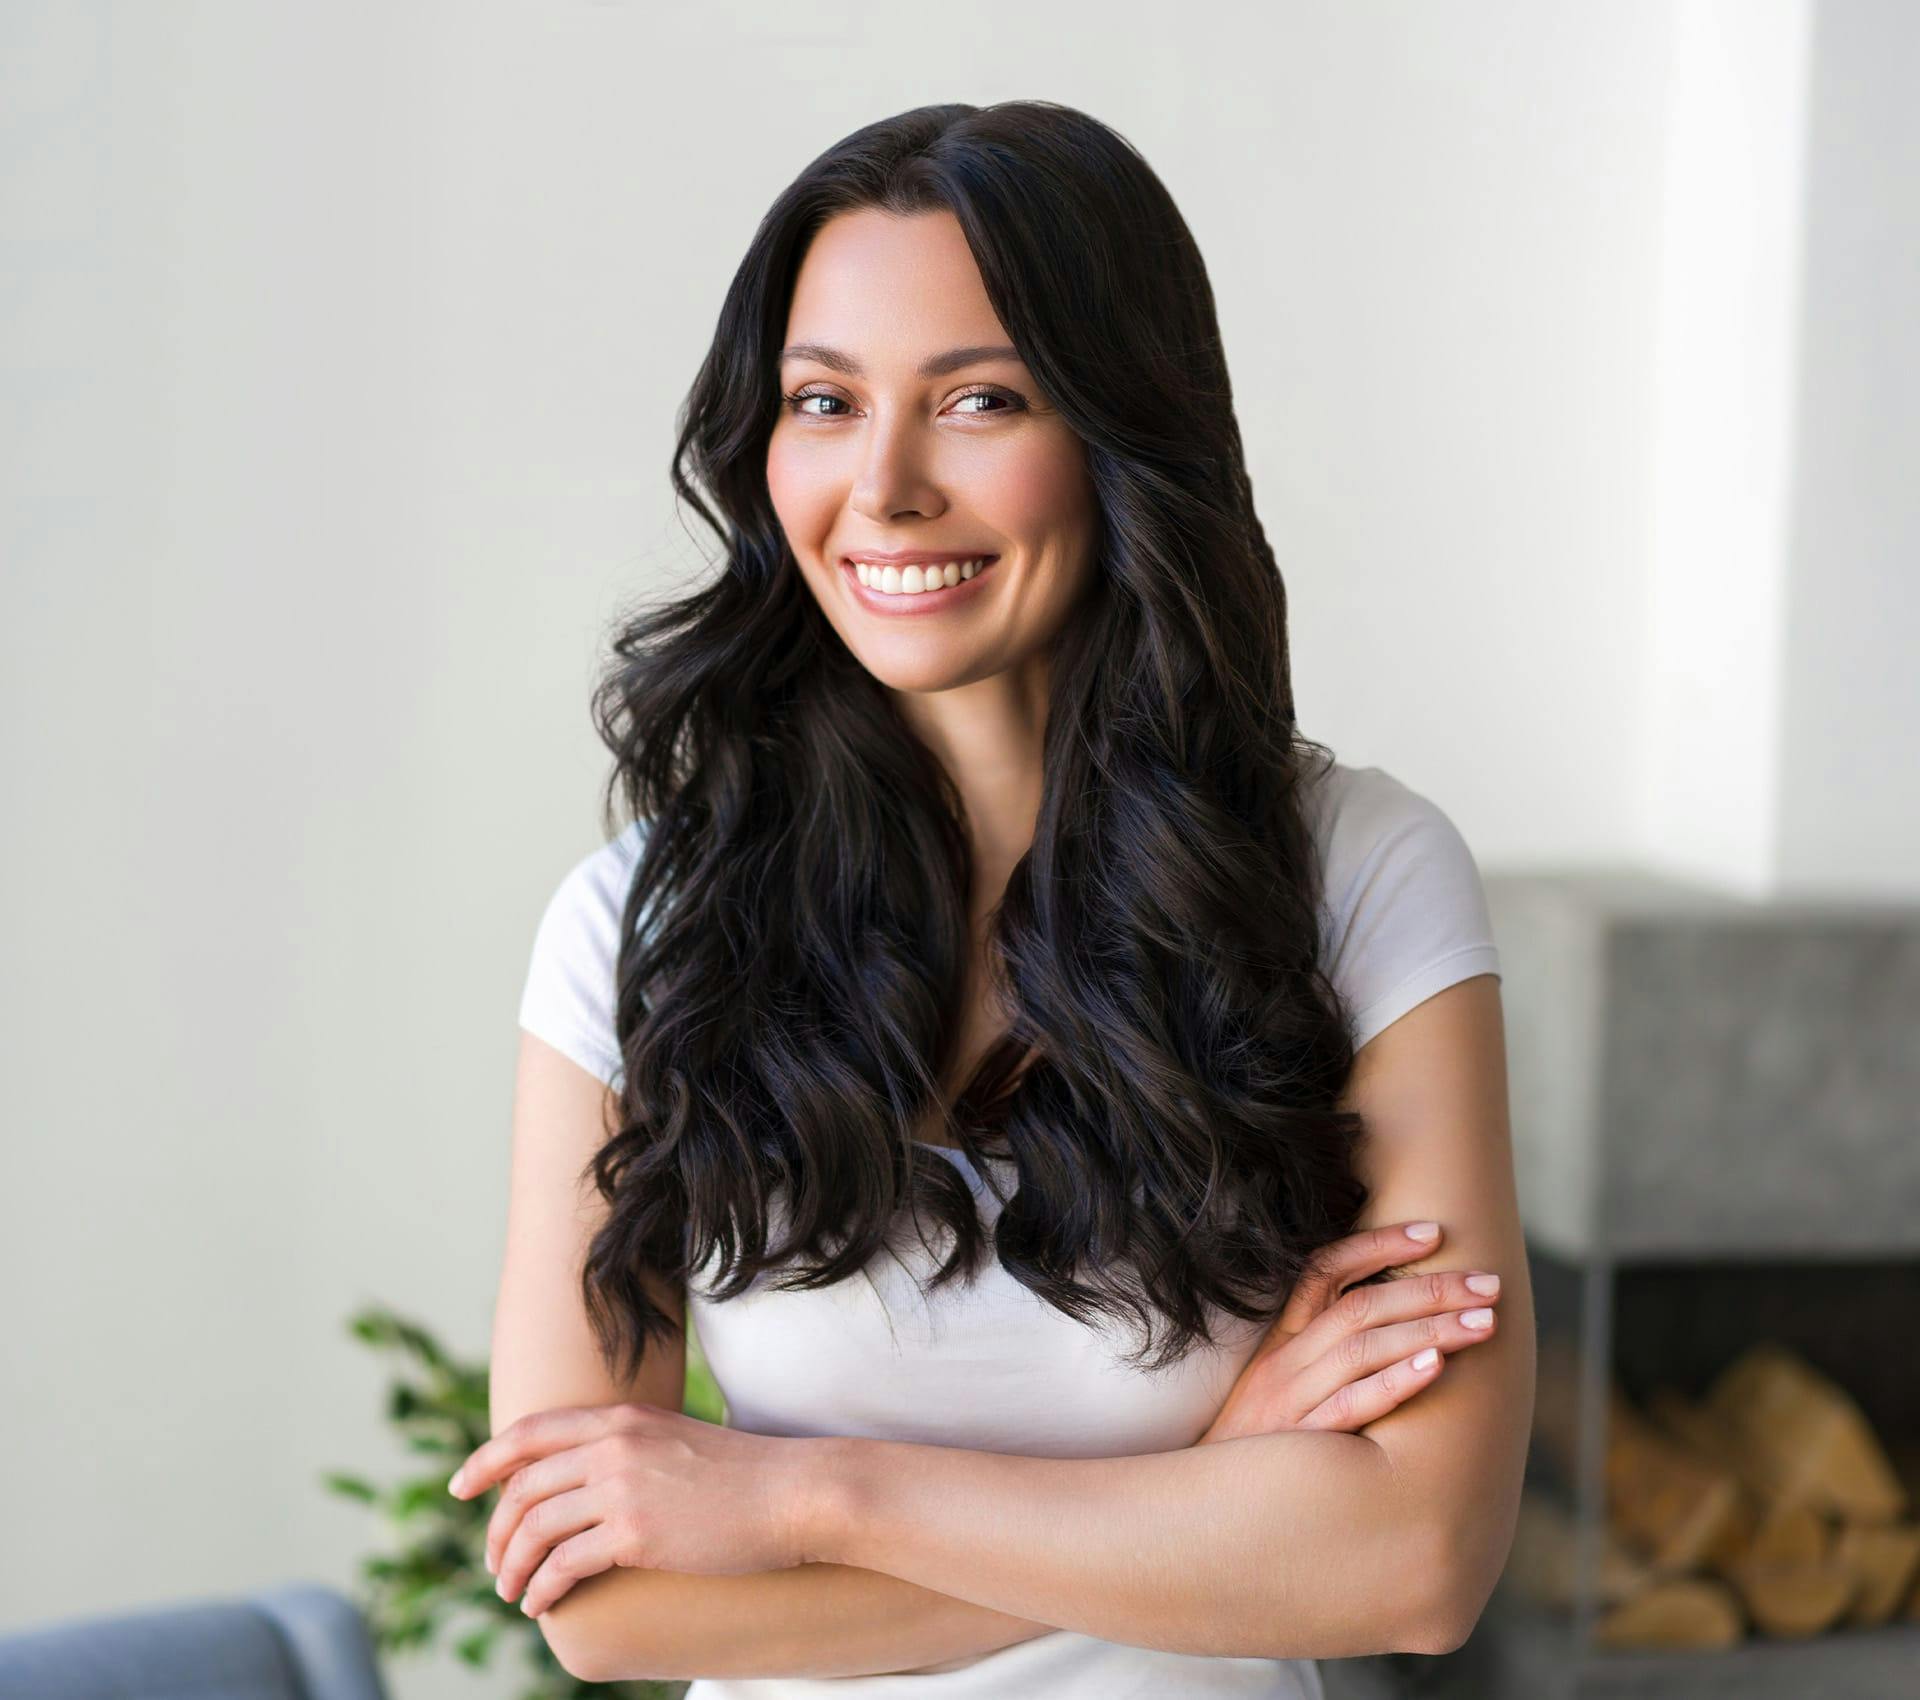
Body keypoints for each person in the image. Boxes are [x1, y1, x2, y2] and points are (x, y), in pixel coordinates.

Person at [454, 100, 1536, 1699]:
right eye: (824, 401)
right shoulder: (637, 928)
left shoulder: (1359, 876)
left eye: (978, 400)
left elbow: (1417, 1565)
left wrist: (802, 1494)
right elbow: (601, 1607)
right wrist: (1209, 1502)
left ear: (1120, 436)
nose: (884, 488)